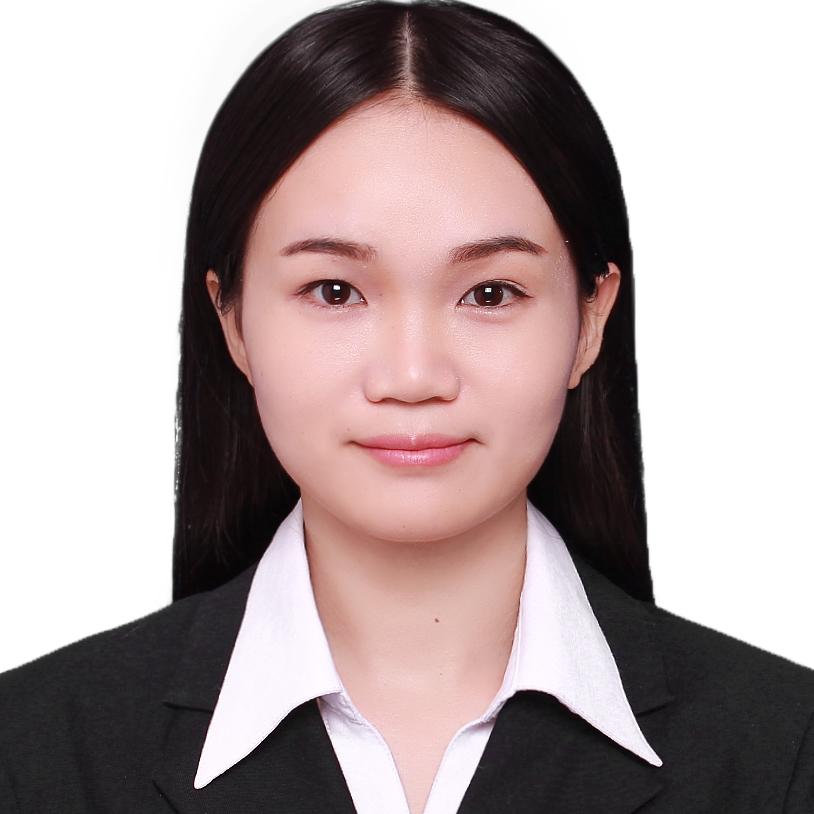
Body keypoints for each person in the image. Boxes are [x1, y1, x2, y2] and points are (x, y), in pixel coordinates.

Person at [1, 1, 812, 812]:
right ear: (233, 320)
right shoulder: (32, 753)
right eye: (334, 290)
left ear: (591, 320)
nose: (414, 375)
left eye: (490, 293)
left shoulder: (784, 753)